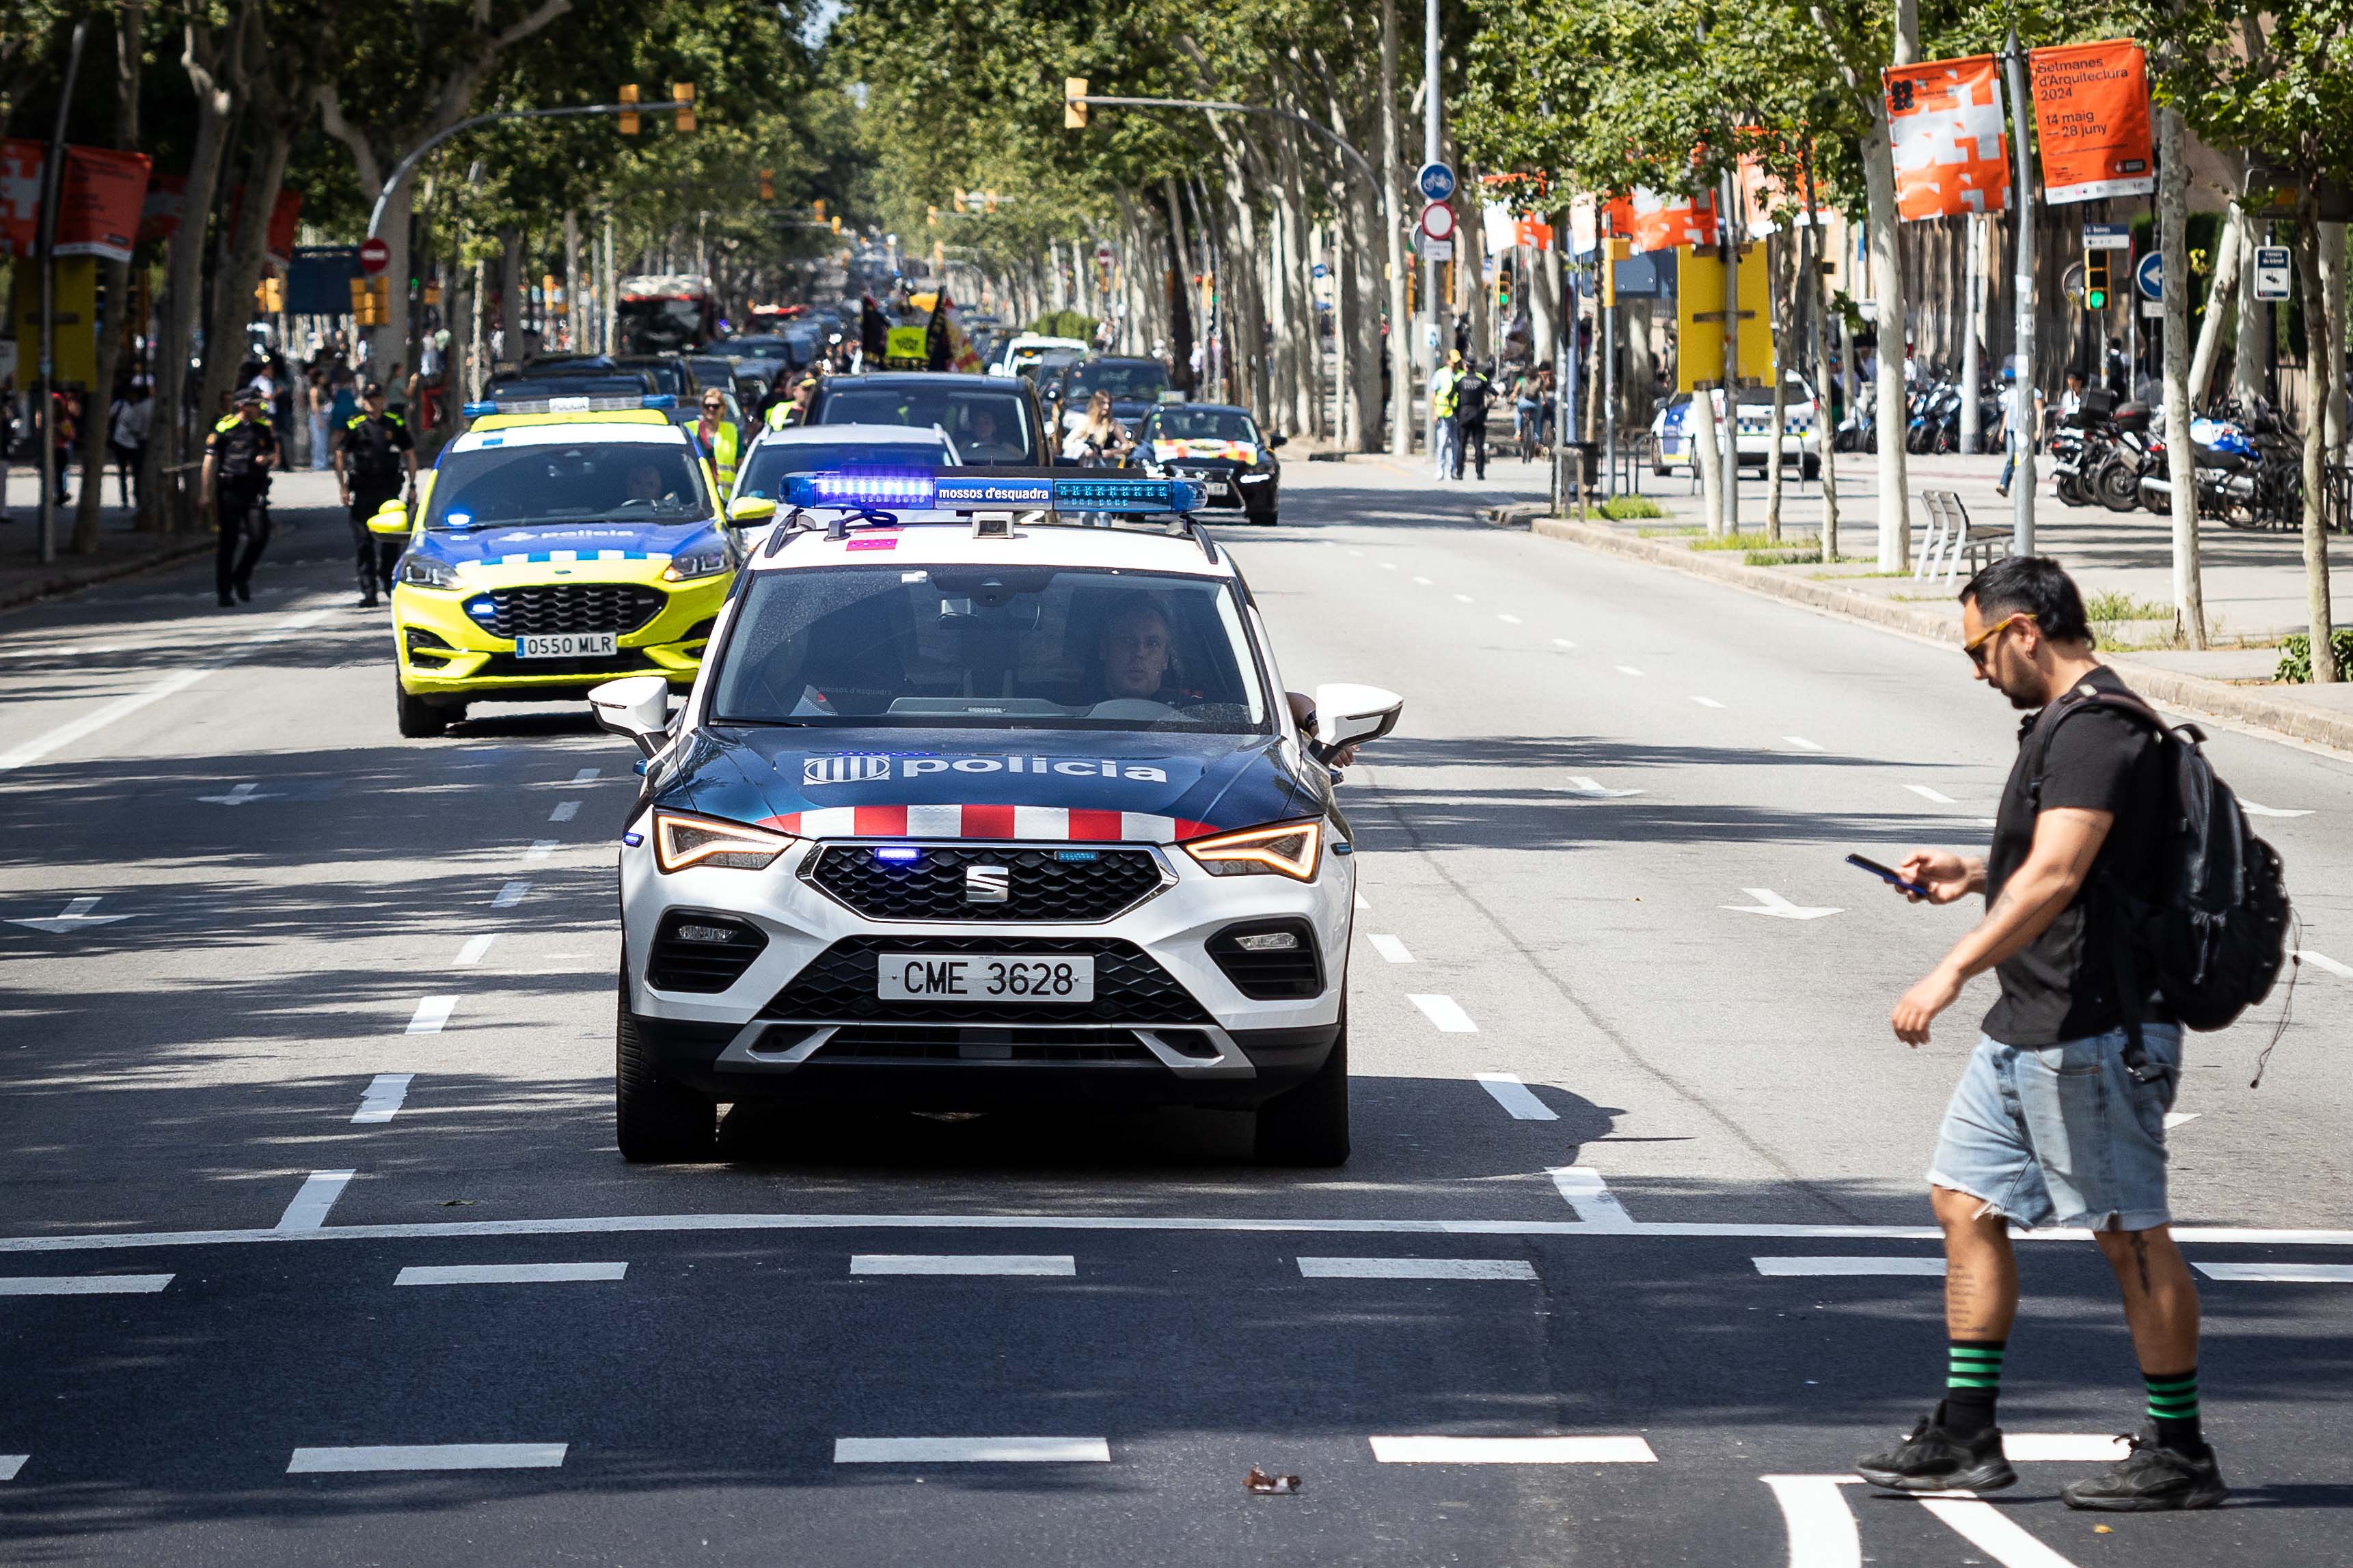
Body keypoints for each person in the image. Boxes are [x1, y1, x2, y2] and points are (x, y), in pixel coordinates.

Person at [1855, 555, 2225, 1513]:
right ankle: (1965, 1431)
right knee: (1961, 1200)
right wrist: (1972, 869)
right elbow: (2056, 863)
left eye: (1979, 647)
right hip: (2031, 1018)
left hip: (2098, 1026)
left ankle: (2178, 1448)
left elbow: (2060, 876)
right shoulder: (2063, 727)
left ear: (2023, 629)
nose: (1975, 669)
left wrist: (1948, 968)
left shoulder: (2099, 727)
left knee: (2128, 1236)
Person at [333, 381, 417, 608]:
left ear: (383, 399)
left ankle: (388, 581)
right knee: (364, 544)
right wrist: (342, 486)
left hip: (389, 493)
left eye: (375, 397)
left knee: (390, 543)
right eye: (368, 398)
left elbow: (409, 453)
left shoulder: (394, 423)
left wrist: (413, 485)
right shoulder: (355, 425)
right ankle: (368, 591)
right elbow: (340, 453)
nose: (371, 402)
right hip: (362, 491)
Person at [204, 385, 278, 607]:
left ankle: (241, 576)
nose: (259, 409)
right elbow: (209, 460)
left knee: (259, 537)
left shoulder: (262, 428)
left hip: (254, 490)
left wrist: (266, 460)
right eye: (255, 405)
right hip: (230, 491)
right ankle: (224, 591)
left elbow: (273, 453)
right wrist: (204, 493)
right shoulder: (225, 427)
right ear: (243, 406)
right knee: (229, 541)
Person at [108, 382, 152, 510]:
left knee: (137, 473)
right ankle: (125, 500)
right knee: (123, 472)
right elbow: (110, 418)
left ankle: (137, 498)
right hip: (120, 442)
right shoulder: (121, 405)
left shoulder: (140, 407)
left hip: (135, 444)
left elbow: (136, 428)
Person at [692, 389, 741, 499]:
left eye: (716, 406)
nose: (711, 409)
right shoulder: (690, 429)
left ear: (723, 408)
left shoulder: (732, 431)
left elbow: (740, 464)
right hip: (698, 494)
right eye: (707, 405)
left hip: (727, 496)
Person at [1061, 389, 1130, 464]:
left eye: (1109, 404)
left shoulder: (1113, 425)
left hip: (1105, 466)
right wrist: (1084, 451)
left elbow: (1126, 446)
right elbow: (1067, 443)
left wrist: (1112, 452)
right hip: (1086, 465)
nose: (1107, 407)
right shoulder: (1085, 423)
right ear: (1096, 405)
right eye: (1103, 403)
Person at [1454, 359, 1493, 480]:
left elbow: (1450, 396)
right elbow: (1495, 392)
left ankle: (1460, 472)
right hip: (1478, 414)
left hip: (1464, 415)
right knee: (1478, 446)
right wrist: (1486, 408)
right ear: (1475, 367)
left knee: (1462, 445)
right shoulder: (1481, 380)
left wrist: (1456, 412)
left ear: (1466, 367)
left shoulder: (1460, 381)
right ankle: (1480, 473)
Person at [1430, 350, 1463, 481]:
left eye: (1458, 362)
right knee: (1442, 442)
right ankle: (1440, 469)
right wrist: (1434, 413)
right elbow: (1433, 394)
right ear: (1448, 360)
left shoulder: (1461, 375)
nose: (1455, 365)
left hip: (1458, 414)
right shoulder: (1441, 374)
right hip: (1443, 413)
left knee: (1456, 443)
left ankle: (1454, 469)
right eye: (1454, 362)